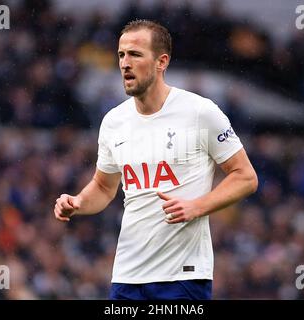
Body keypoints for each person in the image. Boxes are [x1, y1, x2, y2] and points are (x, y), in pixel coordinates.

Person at [53, 19, 258, 300]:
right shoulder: (114, 121)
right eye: (121, 55)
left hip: (183, 276)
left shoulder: (200, 112)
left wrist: (197, 206)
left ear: (162, 62)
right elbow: (103, 188)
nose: (125, 63)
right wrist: (77, 203)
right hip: (127, 274)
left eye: (135, 54)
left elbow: (245, 177)